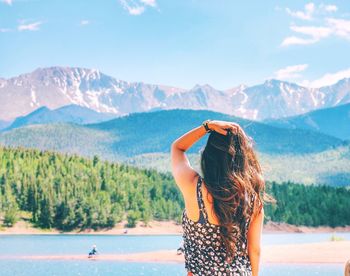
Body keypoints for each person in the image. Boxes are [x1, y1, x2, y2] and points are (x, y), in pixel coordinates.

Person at [171, 119, 272, 276]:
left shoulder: (193, 187)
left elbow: (177, 148)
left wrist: (207, 127)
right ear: (242, 157)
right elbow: (254, 250)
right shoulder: (252, 201)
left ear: (209, 155)